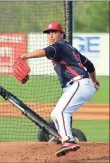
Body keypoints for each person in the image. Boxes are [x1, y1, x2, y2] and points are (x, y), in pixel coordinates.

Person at [20, 21, 100, 156]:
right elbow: (90, 65)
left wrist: (25, 56)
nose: (51, 35)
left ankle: (68, 141)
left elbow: (46, 51)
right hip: (80, 85)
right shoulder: (71, 49)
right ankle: (65, 138)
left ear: (62, 34)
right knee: (55, 114)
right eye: (49, 33)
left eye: (54, 32)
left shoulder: (58, 45)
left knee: (61, 113)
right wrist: (94, 81)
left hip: (78, 84)